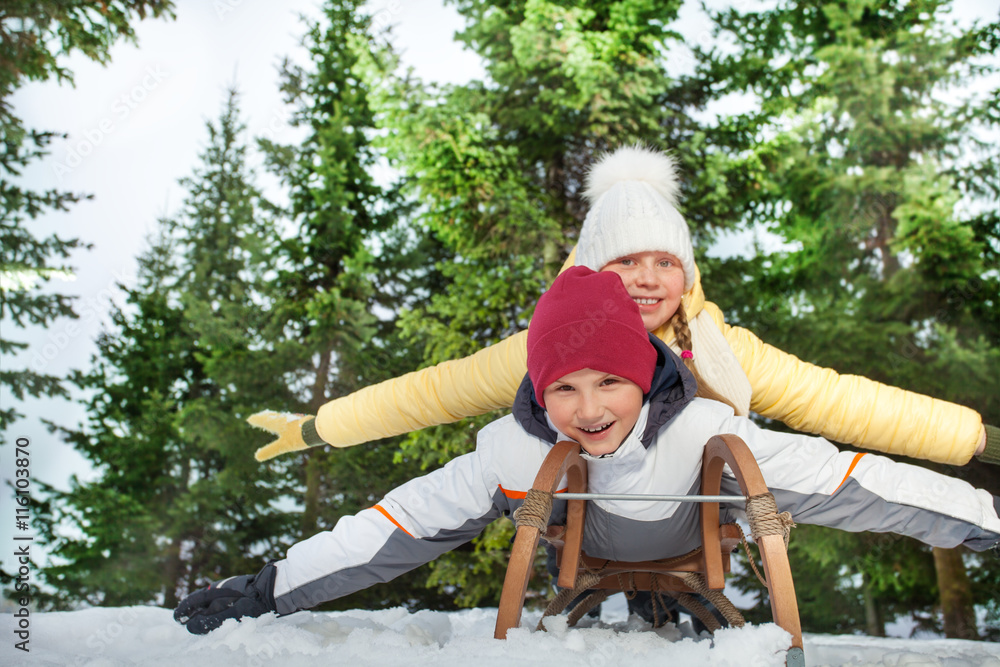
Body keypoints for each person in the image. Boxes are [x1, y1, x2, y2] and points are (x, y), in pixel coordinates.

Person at [176, 267, 1000, 635]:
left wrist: (987, 521)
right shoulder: (517, 444)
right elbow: (403, 518)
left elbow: (853, 479)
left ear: (647, 372)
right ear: (538, 390)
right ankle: (632, 595)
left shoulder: (706, 428)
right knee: (480, 495)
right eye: (562, 387)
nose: (588, 408)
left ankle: (666, 595)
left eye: (610, 381)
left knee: (787, 479)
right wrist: (271, 587)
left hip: (693, 533)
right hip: (582, 540)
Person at [248, 145, 998, 467]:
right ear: (590, 268)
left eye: (664, 262)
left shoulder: (717, 343)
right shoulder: (554, 342)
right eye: (625, 262)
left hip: (690, 502)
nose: (646, 279)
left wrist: (978, 440)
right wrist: (317, 426)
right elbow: (431, 392)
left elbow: (839, 400)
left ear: (687, 271)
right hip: (585, 502)